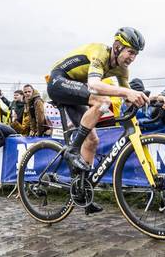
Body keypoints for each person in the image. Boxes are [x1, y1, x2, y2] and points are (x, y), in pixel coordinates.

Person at [46, 27, 148, 214]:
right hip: (58, 82)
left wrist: (155, 98)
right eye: (130, 52)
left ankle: (82, 192)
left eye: (136, 54)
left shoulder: (122, 70)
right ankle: (72, 150)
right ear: (117, 46)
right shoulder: (100, 52)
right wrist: (127, 92)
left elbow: (127, 96)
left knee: (93, 140)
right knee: (102, 100)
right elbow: (94, 85)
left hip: (76, 89)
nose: (132, 58)